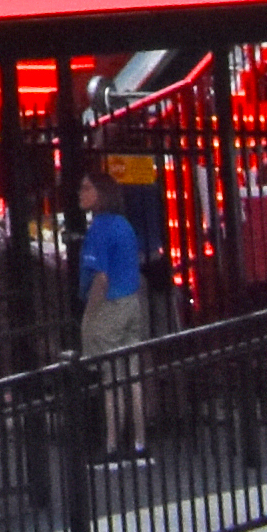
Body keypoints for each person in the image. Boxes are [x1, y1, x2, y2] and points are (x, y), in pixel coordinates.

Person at [77, 168, 150, 451]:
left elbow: (100, 277)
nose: (81, 193)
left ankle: (111, 444)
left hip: (109, 305)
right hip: (131, 301)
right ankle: (140, 441)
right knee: (130, 375)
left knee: (110, 379)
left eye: (86, 187)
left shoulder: (99, 228)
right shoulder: (125, 225)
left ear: (100, 193)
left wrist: (90, 315)